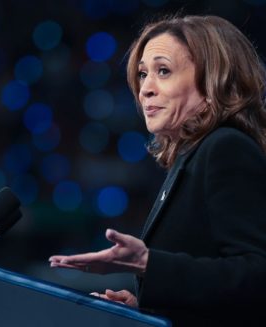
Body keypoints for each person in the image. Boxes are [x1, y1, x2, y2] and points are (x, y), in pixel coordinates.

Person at [49, 15, 266, 326]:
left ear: (212, 81)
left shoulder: (226, 148)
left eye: (163, 71)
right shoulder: (194, 155)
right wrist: (146, 307)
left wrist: (146, 262)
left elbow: (257, 275)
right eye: (142, 74)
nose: (145, 89)